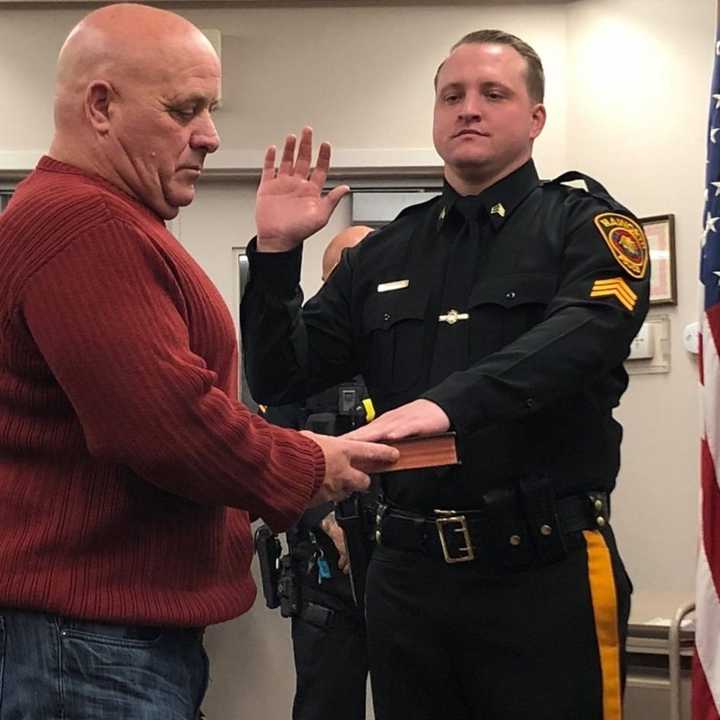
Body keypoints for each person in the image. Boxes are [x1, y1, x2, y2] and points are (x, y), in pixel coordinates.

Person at [0, 5, 398, 720]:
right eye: (185, 110)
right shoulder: (82, 223)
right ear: (100, 106)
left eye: (209, 110)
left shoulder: (107, 220)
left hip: (99, 645)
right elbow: (167, 425)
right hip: (87, 652)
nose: (211, 135)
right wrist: (308, 465)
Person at [241, 29, 650, 720]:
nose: (469, 108)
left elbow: (581, 337)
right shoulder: (384, 251)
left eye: (494, 94)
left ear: (535, 118)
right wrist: (276, 257)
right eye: (452, 95)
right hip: (406, 575)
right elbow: (284, 376)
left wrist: (447, 406)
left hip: (542, 571)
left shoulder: (585, 225)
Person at [257, 224, 375, 720]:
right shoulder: (298, 364)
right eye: (338, 279)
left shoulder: (412, 355)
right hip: (324, 577)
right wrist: (328, 518)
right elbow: (272, 461)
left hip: (406, 572)